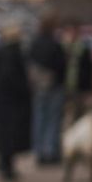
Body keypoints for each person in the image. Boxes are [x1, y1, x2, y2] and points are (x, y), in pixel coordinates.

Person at [0, 25, 31, 182]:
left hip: (0, 100)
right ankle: (7, 167)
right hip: (11, 101)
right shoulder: (13, 54)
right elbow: (13, 78)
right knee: (9, 135)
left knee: (2, 134)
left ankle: (4, 165)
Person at [26, 14, 68, 165]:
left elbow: (29, 63)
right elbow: (62, 64)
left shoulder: (35, 43)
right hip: (55, 85)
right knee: (53, 119)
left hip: (39, 87)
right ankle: (51, 151)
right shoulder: (54, 44)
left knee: (39, 118)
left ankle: (40, 151)